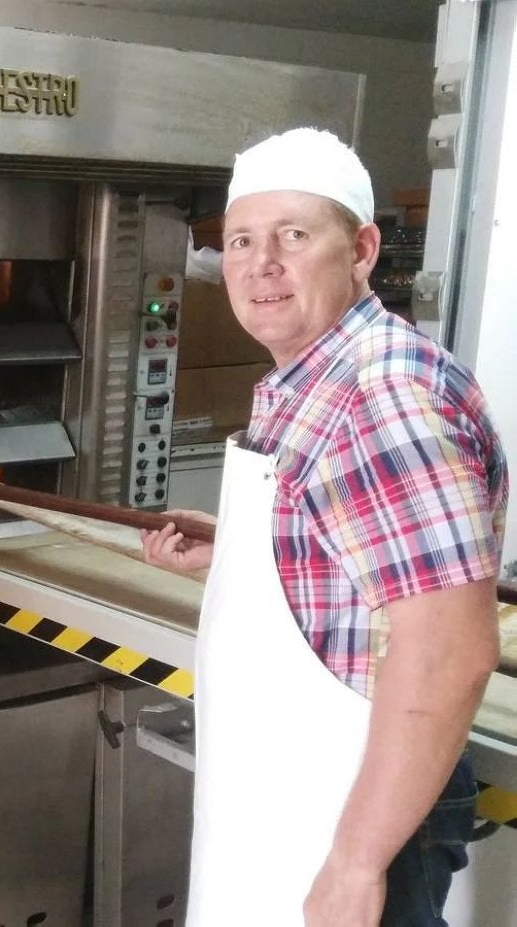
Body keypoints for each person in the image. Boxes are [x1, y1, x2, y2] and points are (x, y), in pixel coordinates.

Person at [141, 128, 506, 927]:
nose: (260, 263)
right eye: (241, 239)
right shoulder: (313, 376)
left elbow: (449, 649)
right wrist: (253, 551)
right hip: (304, 797)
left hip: (357, 808)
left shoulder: (381, 394)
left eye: (294, 236)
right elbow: (358, 571)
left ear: (363, 249)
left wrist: (357, 861)